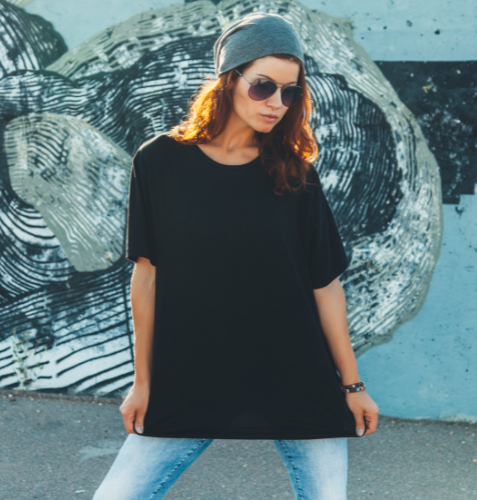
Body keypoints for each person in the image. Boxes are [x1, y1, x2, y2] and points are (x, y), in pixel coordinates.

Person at [93, 12, 379, 500]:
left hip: (296, 375)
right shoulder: (159, 161)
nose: (276, 104)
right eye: (263, 86)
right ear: (229, 80)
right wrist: (143, 383)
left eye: (290, 93)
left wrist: (353, 386)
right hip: (191, 377)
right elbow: (146, 279)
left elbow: (326, 285)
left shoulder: (294, 173)